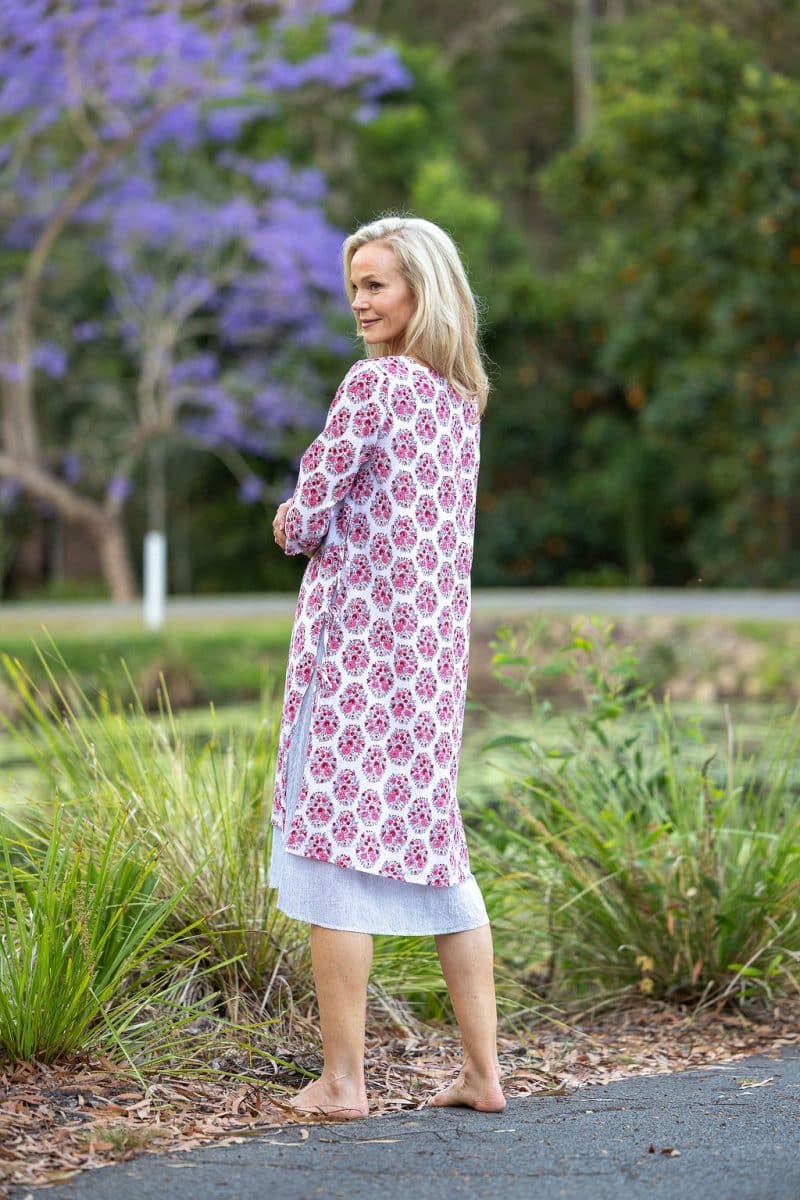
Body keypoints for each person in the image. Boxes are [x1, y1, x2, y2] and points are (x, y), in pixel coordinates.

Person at [270, 215, 505, 1120]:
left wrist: (285, 519)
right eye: (354, 287)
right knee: (440, 857)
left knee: (333, 860)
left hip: (357, 658)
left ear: (421, 290)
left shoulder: (374, 385)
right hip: (430, 662)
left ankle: (343, 1082)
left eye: (376, 285)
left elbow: (306, 519)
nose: (360, 303)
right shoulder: (458, 400)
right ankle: (483, 1074)